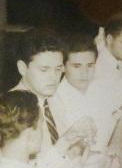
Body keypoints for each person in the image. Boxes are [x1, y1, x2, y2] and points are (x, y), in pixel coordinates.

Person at [11, 28, 96, 157]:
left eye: (58, 69)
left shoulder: (52, 97)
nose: (53, 78)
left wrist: (77, 145)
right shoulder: (13, 109)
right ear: (22, 68)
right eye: (44, 70)